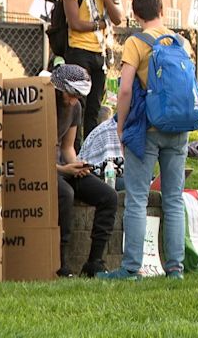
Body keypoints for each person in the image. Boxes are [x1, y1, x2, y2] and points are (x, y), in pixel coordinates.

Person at [98, 0, 189, 280]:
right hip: (178, 127)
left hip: (147, 128)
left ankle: (131, 267)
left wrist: (121, 126)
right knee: (174, 199)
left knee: (137, 198)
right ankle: (175, 268)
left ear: (135, 15)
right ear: (162, 9)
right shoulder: (180, 41)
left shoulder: (135, 43)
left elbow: (124, 90)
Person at [52, 64, 118, 278]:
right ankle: (61, 263)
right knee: (66, 193)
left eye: (78, 96)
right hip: (46, 169)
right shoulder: (47, 103)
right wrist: (63, 169)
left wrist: (77, 166)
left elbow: (67, 147)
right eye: (71, 95)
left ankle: (94, 262)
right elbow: (34, 155)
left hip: (64, 166)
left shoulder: (76, 107)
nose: (73, 101)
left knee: (108, 195)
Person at [63, 0, 123, 148]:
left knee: (94, 109)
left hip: (100, 55)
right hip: (78, 52)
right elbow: (75, 23)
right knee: (77, 104)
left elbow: (117, 19)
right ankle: (74, 150)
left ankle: (89, 153)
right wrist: (99, 25)